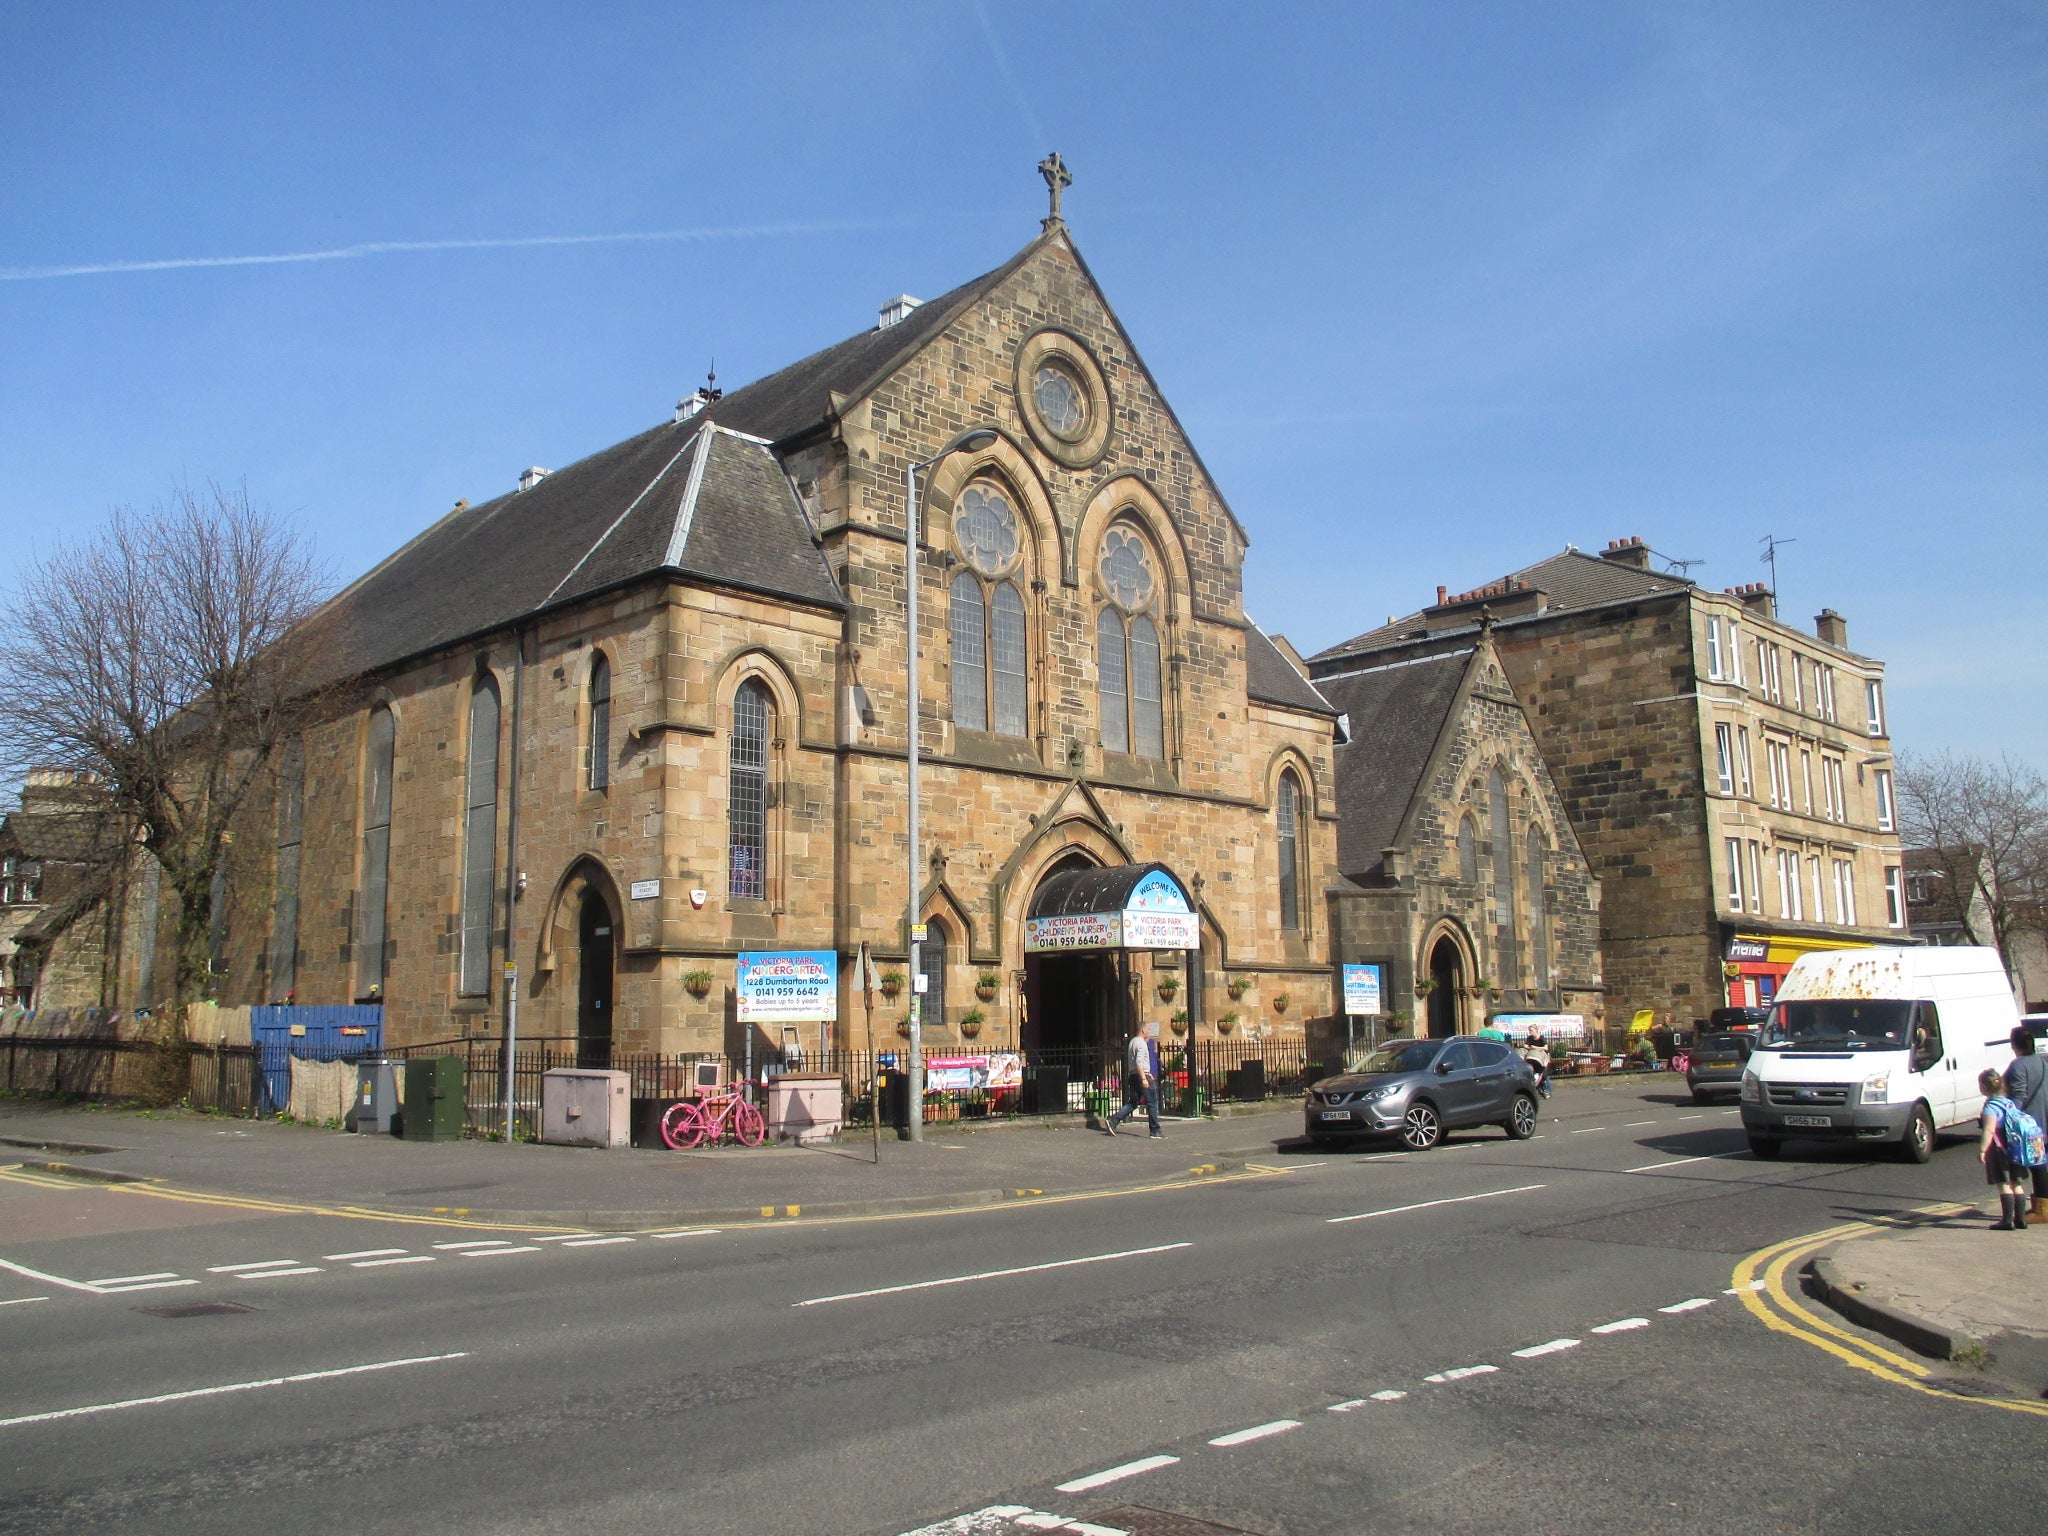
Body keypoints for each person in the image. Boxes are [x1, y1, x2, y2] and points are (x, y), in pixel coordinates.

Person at [1977, 1067, 2031, 1230]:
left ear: (1984, 1087)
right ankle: (2020, 1219)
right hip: (2016, 1147)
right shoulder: (2010, 1103)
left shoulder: (1990, 1107)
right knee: (2017, 1184)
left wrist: (1982, 1149)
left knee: (2004, 1184)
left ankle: (2007, 1221)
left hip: (1999, 1149)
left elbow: (1989, 1130)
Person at [2005, 1027, 2048, 1221]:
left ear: (2014, 1044)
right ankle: (2042, 1207)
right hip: (2044, 1119)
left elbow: (2018, 1096)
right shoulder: (2042, 1062)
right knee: (2042, 1164)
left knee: (2038, 1165)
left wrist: (2007, 1117)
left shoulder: (2017, 1066)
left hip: (2030, 1126)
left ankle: (2042, 1210)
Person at [1107, 1020, 1163, 1138]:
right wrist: (1144, 1078)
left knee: (1133, 1102)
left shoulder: (1132, 1042)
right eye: (1148, 1030)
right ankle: (1155, 1131)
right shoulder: (1141, 1043)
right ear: (1143, 1030)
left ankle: (1113, 1120)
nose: (1149, 1032)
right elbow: (1139, 1062)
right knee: (1152, 1102)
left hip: (1133, 1075)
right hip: (1141, 1076)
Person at [1522, 1032, 1551, 1099]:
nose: (1530, 1032)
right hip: (1533, 1058)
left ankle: (1547, 1091)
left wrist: (1536, 1047)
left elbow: (1546, 1048)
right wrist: (1528, 1047)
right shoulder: (1529, 1038)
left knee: (1544, 1075)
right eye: (1529, 1031)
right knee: (1535, 1074)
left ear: (1536, 1031)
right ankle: (1539, 1090)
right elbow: (1525, 1045)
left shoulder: (1541, 1038)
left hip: (1543, 1058)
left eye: (1531, 1031)